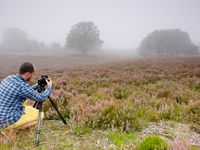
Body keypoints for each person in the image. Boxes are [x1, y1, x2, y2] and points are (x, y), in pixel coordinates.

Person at [0, 62, 52, 130]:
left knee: (28, 108)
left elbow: (25, 91)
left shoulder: (8, 78)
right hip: (7, 119)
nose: (32, 76)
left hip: (2, 113)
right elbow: (41, 98)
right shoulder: (22, 86)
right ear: (27, 73)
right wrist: (49, 87)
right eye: (32, 73)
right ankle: (12, 128)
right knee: (41, 115)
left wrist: (37, 85)